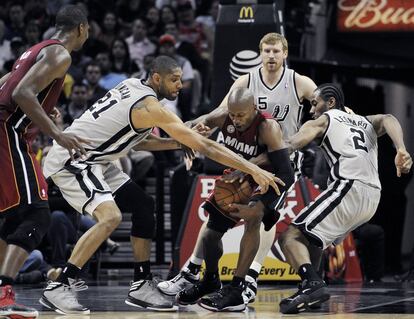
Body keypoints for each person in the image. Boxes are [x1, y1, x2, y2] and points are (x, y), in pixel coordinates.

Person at [39, 55, 281, 314]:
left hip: (98, 159)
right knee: (110, 217)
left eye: (180, 79)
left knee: (144, 205)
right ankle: (60, 285)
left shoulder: (132, 86)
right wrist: (253, 168)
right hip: (74, 159)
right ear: (157, 78)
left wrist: (178, 141)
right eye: (174, 80)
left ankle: (141, 284)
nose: (180, 85)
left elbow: (137, 142)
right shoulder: (149, 107)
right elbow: (206, 146)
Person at [163, 32, 317, 302]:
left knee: (263, 217)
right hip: (245, 162)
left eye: (275, 51)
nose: (271, 55)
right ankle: (193, 270)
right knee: (217, 208)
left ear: (285, 54)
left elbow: (322, 106)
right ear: (260, 53)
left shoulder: (298, 82)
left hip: (280, 161)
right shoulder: (245, 82)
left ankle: (248, 279)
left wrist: (340, 112)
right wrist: (187, 131)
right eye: (266, 51)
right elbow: (220, 115)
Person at [275, 83, 412, 313]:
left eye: (314, 103)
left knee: (290, 236)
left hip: (348, 186)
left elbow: (291, 144)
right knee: (315, 237)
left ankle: (312, 285)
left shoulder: (324, 119)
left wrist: (254, 163)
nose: (311, 110)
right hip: (373, 197)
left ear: (330, 103)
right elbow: (389, 118)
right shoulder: (364, 121)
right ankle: (314, 285)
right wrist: (401, 149)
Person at [0, 5, 89, 319]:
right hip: (9, 131)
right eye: (87, 30)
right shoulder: (61, 54)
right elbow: (23, 92)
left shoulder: (33, 50)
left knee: (13, 217)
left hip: (7, 129)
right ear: (80, 28)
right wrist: (57, 133)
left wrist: (44, 108)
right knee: (37, 215)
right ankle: (4, 294)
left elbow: (7, 84)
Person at [170, 87, 294, 311]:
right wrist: (187, 135)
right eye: (233, 115)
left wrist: (261, 201)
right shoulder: (223, 116)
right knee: (210, 234)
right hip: (239, 176)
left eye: (241, 115)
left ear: (254, 109)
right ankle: (210, 280)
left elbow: (286, 172)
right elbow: (196, 122)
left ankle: (237, 288)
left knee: (253, 216)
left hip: (268, 178)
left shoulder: (268, 128)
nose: (236, 120)